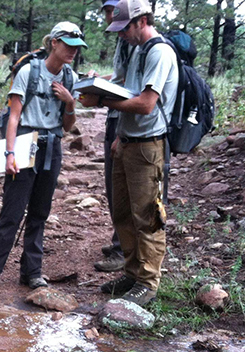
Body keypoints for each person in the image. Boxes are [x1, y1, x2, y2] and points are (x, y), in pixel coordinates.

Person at [78, 0, 178, 306]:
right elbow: (128, 91)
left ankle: (147, 281)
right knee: (122, 211)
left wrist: (102, 103)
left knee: (146, 215)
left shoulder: (159, 51)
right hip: (128, 140)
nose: (121, 35)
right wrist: (120, 135)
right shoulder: (137, 50)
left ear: (143, 20)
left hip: (148, 146)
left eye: (125, 29)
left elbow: (146, 103)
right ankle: (133, 272)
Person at [0, 22, 85, 292]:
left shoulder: (70, 78)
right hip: (25, 143)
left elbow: (67, 127)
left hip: (52, 146)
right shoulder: (28, 71)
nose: (73, 52)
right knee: (12, 212)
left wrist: (70, 102)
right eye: (69, 46)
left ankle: (32, 272)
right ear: (54, 43)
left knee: (40, 212)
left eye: (77, 48)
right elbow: (14, 117)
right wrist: (9, 153)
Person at [92, 0, 131, 274]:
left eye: (112, 12)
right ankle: (120, 242)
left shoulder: (133, 42)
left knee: (119, 187)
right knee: (112, 185)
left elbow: (131, 84)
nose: (108, 17)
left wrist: (101, 93)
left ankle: (122, 250)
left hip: (124, 120)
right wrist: (99, 78)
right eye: (106, 12)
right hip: (116, 120)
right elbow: (120, 76)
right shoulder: (122, 40)